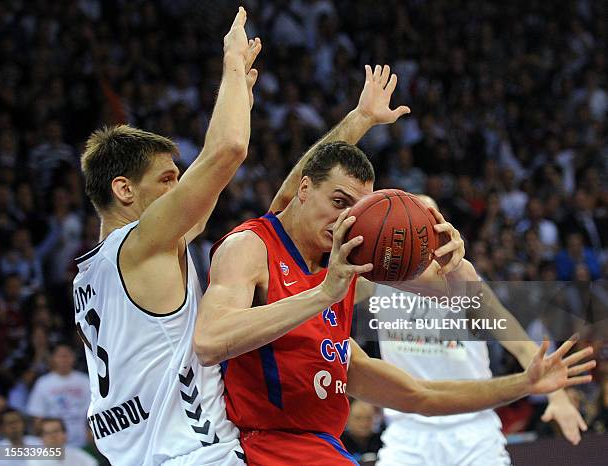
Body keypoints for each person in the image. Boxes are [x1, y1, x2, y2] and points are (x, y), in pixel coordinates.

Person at [197, 66, 595, 466]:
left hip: (465, 423)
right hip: (382, 433)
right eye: (339, 204)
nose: (344, 219)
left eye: (428, 229)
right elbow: (290, 204)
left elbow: (483, 313)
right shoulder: (341, 264)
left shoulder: (379, 271)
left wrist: (460, 270)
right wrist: (360, 120)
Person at [72, 7, 260, 465]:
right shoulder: (142, 245)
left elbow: (207, 194)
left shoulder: (92, 274)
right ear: (124, 189)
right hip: (196, 455)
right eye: (166, 179)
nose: (179, 190)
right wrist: (232, 63)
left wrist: (241, 100)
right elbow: (228, 150)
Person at [373, 195, 589, 466]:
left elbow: (522, 345)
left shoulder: (465, 282)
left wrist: (557, 397)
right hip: (407, 433)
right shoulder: (375, 280)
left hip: (473, 430)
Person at [26, 343, 90, 447]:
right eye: (60, 356)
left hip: (83, 441)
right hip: (53, 442)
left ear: (73, 358)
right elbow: (37, 416)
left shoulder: (85, 380)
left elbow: (93, 411)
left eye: (67, 355)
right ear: (53, 359)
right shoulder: (43, 383)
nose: (64, 359)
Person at [26, 418, 97, 466]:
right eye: (47, 433)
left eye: (56, 431)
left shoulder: (78, 454)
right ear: (41, 438)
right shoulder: (35, 461)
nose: (53, 436)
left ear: (65, 434)